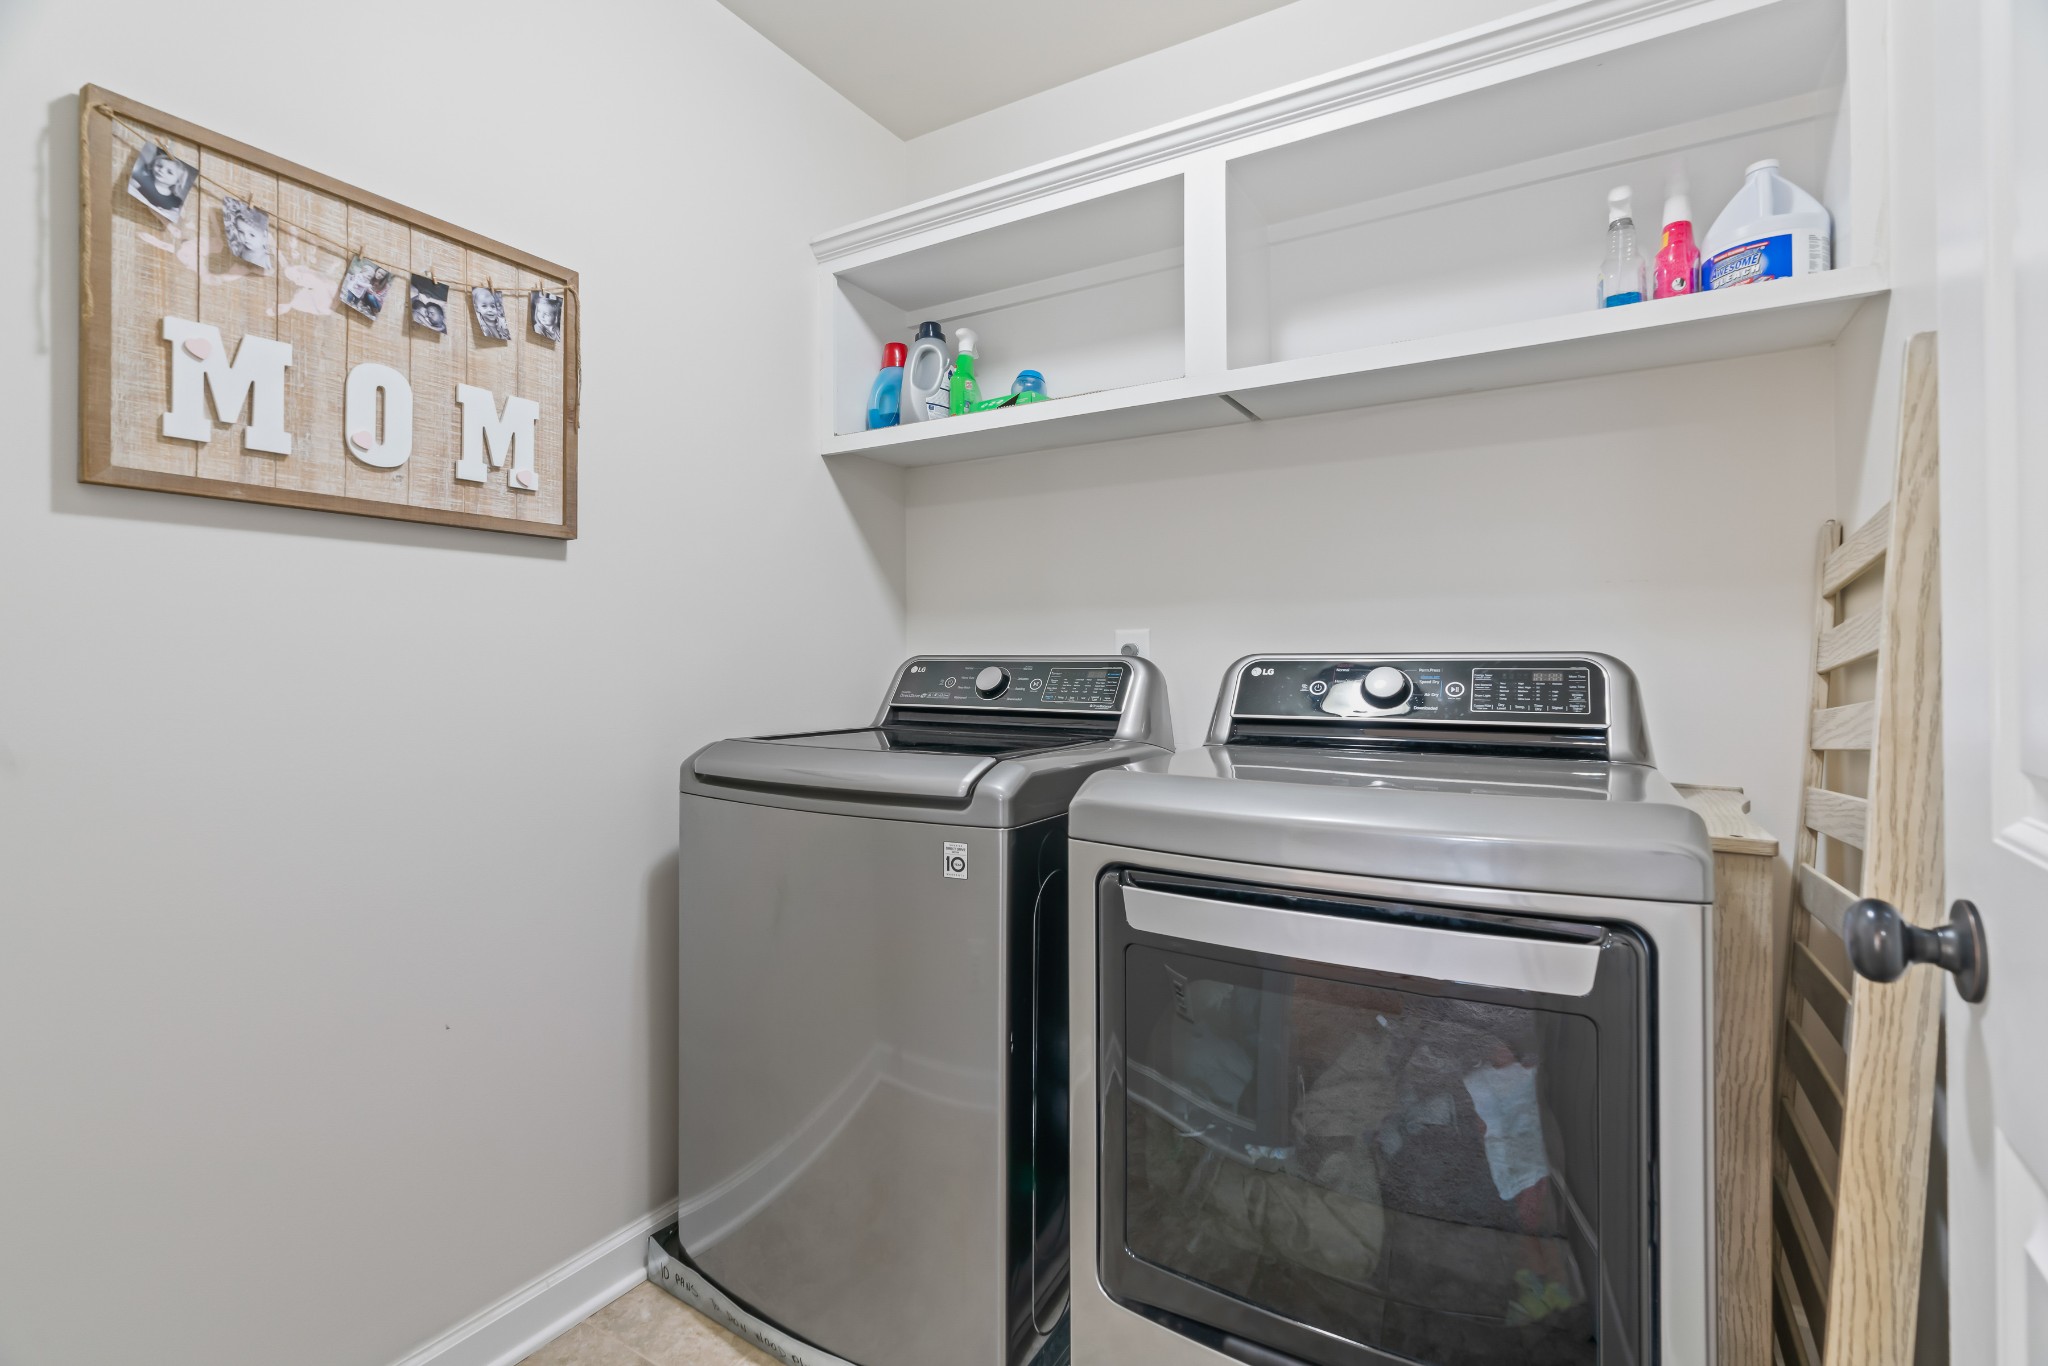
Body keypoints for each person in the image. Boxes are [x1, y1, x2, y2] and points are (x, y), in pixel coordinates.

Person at [127, 144, 194, 223]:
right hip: (133, 214)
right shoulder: (142, 181)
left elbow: (176, 215)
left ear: (178, 181)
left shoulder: (176, 201)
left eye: (169, 172)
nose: (161, 170)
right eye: (159, 166)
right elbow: (130, 185)